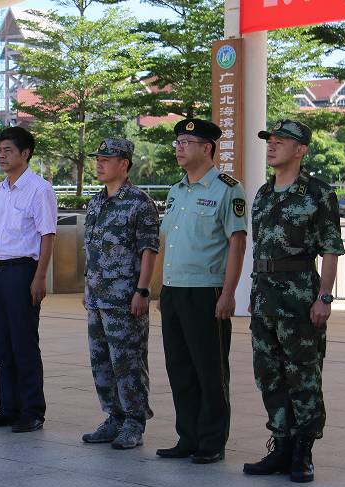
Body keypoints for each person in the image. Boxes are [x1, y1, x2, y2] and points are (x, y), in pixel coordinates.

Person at [243, 120, 344, 483]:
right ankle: (281, 444)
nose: (271, 146)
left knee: (303, 375)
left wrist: (325, 298)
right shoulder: (263, 194)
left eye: (281, 142)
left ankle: (303, 451)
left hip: (300, 297)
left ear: (300, 150)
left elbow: (330, 250)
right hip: (265, 296)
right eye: (270, 141)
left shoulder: (318, 193)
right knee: (268, 374)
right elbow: (260, 251)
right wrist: (255, 294)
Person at [157, 118, 247, 464]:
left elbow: (236, 244)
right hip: (174, 291)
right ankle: (188, 436)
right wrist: (162, 291)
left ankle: (211, 440)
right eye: (178, 142)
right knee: (179, 368)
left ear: (206, 148)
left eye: (186, 142)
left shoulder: (227, 189)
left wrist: (228, 293)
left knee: (210, 370)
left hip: (206, 291)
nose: (179, 147)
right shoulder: (177, 190)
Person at [81, 138, 159, 449]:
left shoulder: (139, 202)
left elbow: (149, 251)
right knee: (101, 361)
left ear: (123, 164)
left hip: (125, 299)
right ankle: (113, 416)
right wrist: (88, 286)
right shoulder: (97, 202)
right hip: (98, 297)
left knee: (128, 362)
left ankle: (134, 422)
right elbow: (92, 250)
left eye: (106, 159)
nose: (99, 164)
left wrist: (143, 290)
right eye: (98, 158)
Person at [0, 126, 56, 433]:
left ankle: (32, 410)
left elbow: (47, 235)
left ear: (25, 154)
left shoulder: (39, 189)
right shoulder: (3, 188)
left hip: (23, 271)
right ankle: (7, 407)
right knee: (1, 344)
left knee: (23, 343)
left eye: (8, 150)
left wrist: (40, 277)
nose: (2, 156)